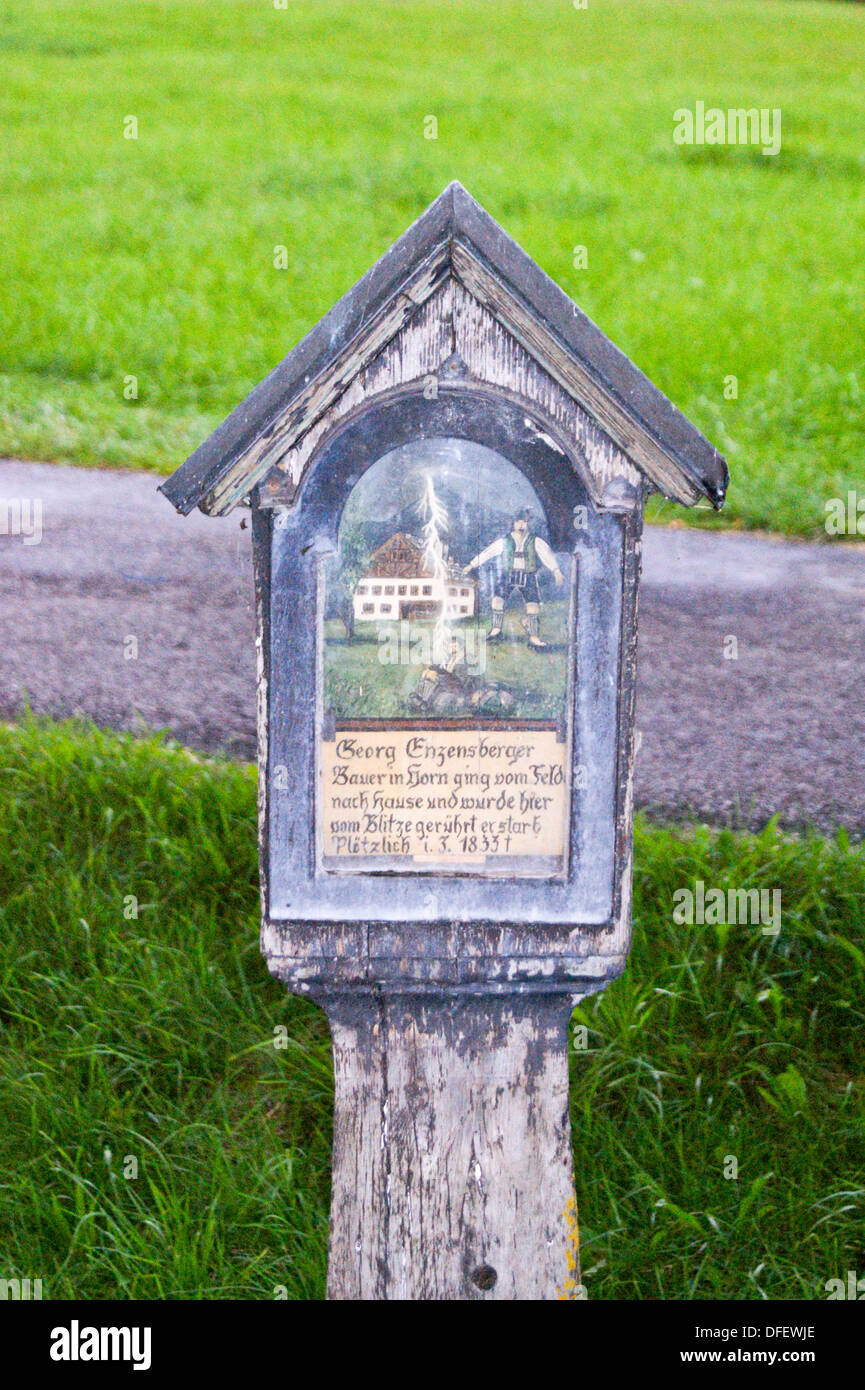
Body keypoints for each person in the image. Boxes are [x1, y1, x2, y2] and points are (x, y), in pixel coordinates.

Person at [462, 510, 563, 651]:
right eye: (518, 521)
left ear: (528, 523)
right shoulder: (505, 541)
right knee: (497, 601)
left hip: (528, 575)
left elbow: (547, 554)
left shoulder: (535, 541)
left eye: (524, 521)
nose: (521, 525)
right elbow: (488, 552)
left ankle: (534, 638)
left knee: (532, 605)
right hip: (508, 574)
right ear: (513, 523)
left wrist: (556, 570)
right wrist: (472, 564)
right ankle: (496, 631)